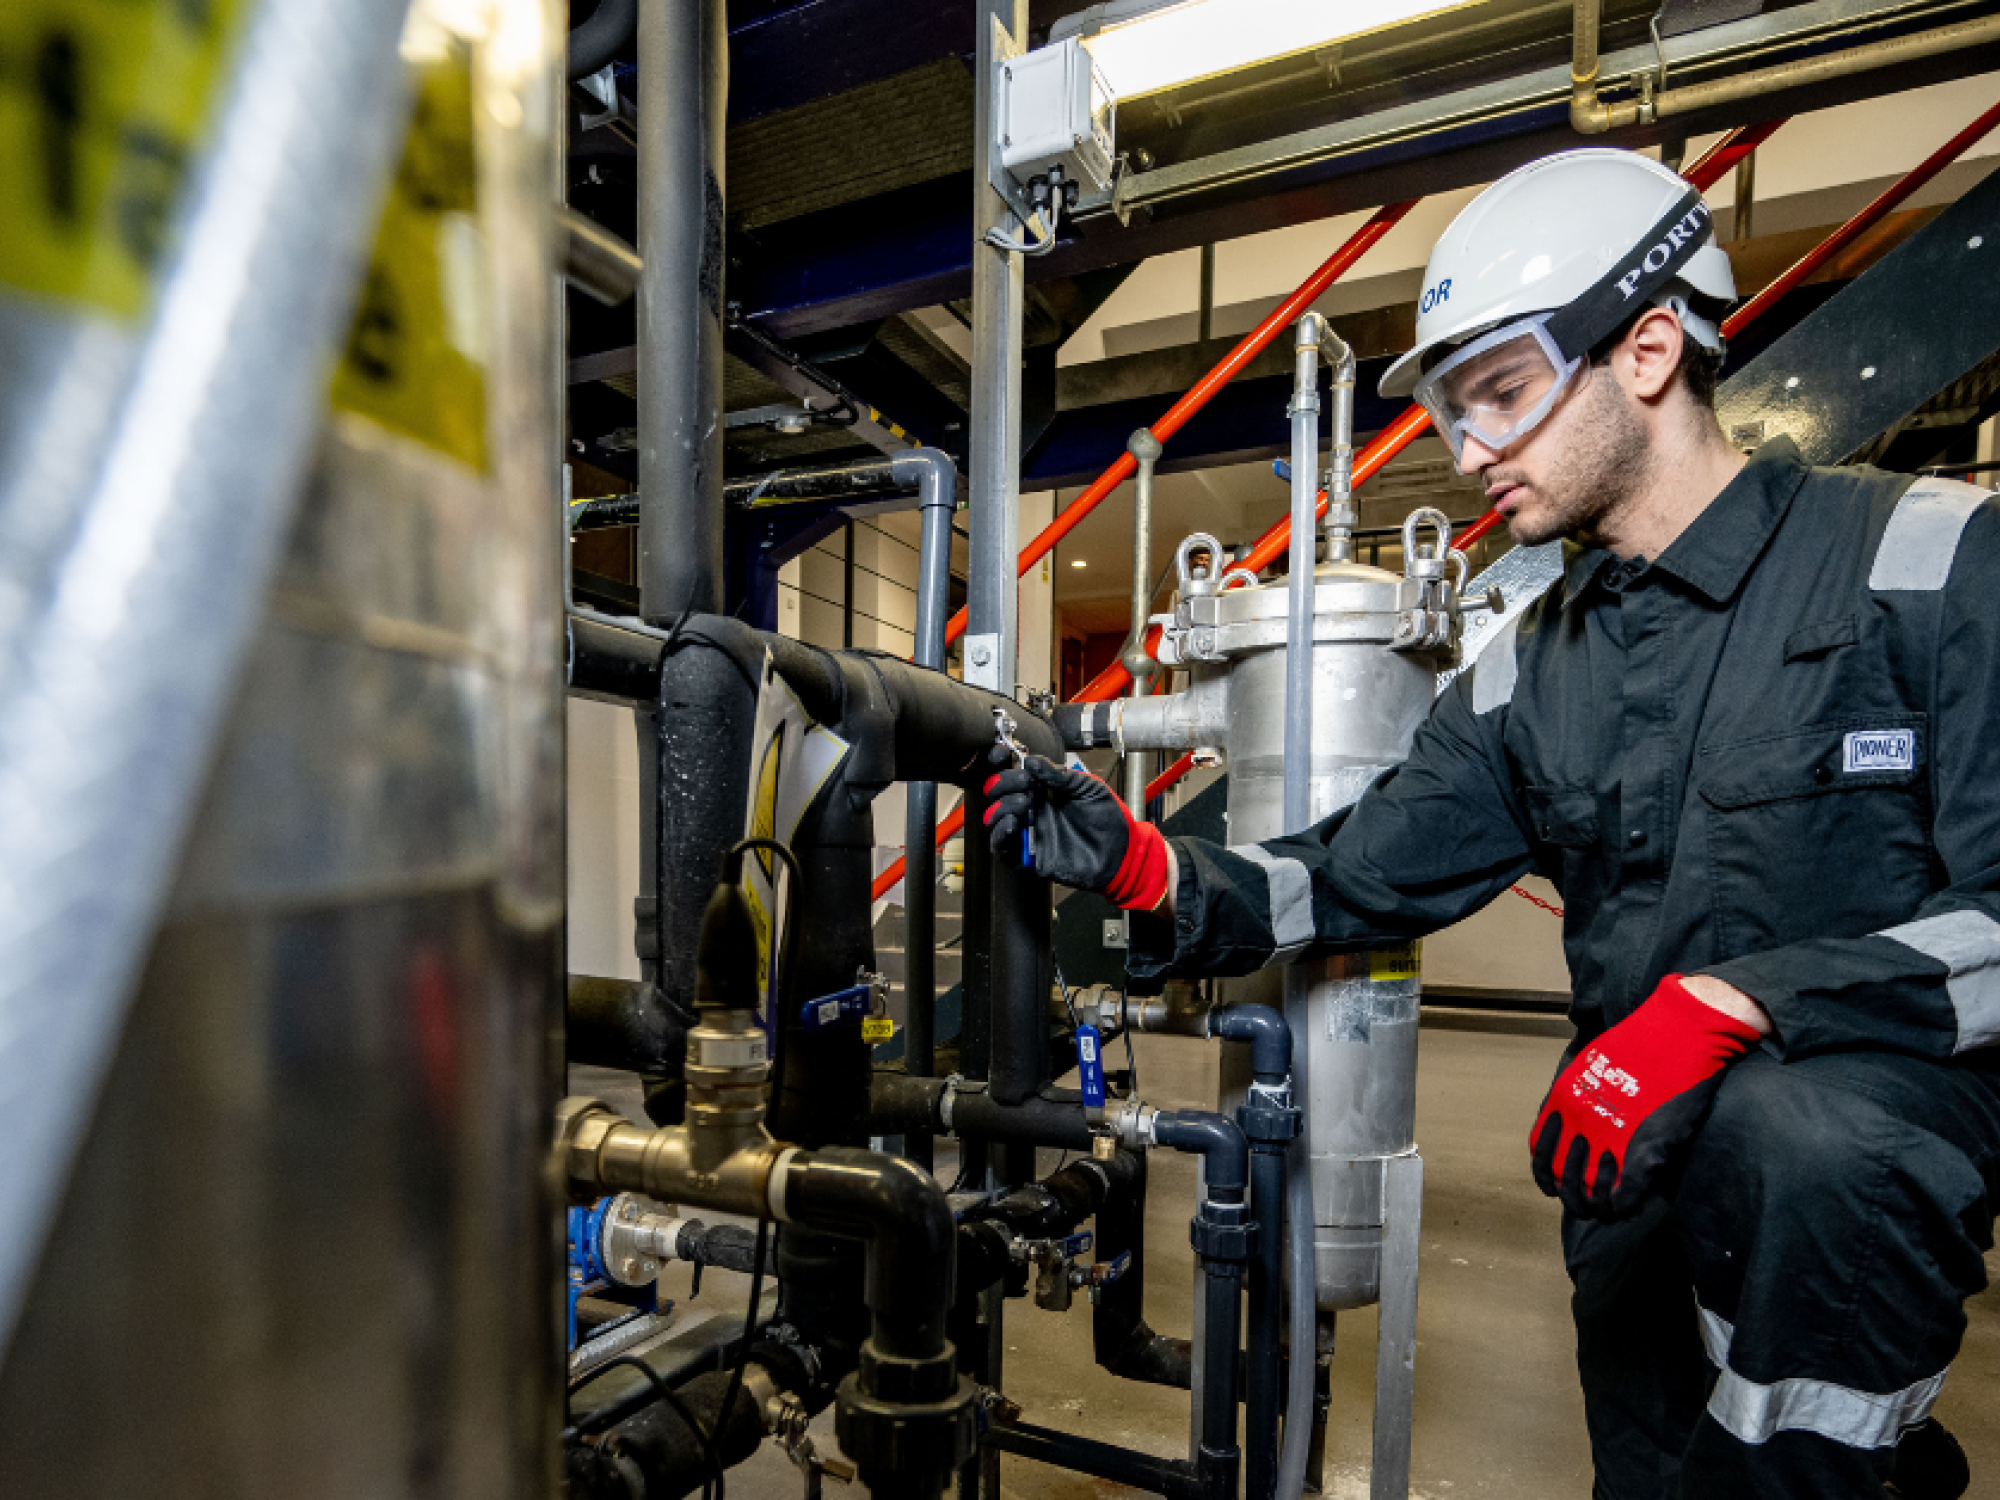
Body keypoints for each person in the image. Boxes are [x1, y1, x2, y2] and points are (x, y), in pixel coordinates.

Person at [984, 148, 1998, 1500]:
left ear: (1648, 350)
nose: (1467, 455)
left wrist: (1738, 1003)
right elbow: (1357, 874)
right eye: (1453, 412)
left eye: (1503, 394)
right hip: (1630, 1196)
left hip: (1836, 1220)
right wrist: (1146, 862)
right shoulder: (1536, 664)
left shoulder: (1927, 563)